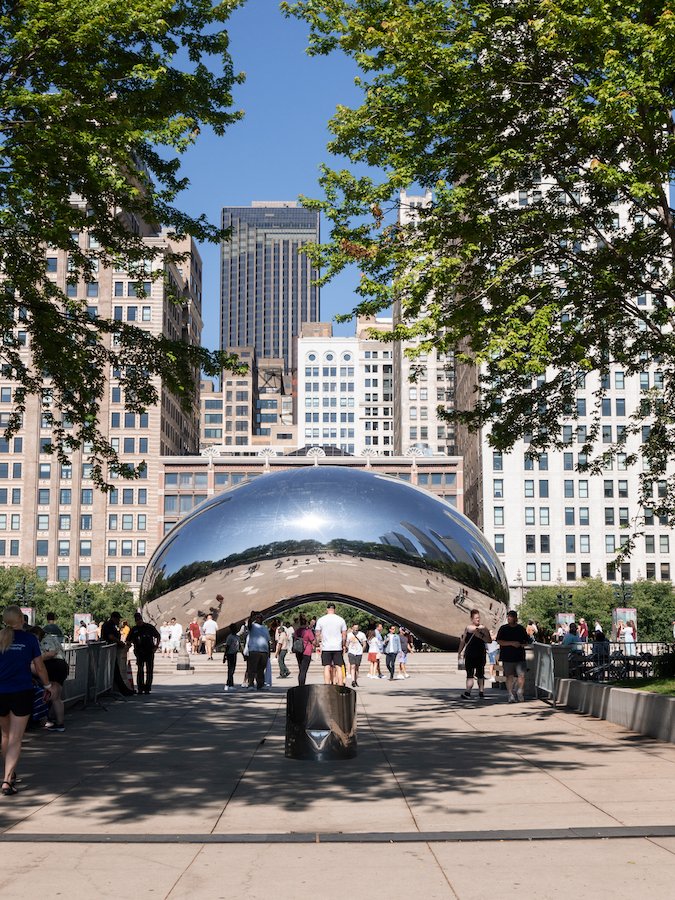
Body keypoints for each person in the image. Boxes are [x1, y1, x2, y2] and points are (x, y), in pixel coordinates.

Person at [0, 605, 52, 795]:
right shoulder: (29, 639)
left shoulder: (0, 637)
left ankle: (9, 774)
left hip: (1, 691)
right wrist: (47, 686)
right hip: (21, 690)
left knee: (5, 736)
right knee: (16, 737)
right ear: (21, 619)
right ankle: (7, 780)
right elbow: (39, 667)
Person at [33, 625, 69, 732]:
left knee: (52, 694)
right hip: (61, 665)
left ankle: (49, 720)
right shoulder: (52, 638)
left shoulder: (45, 640)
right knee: (56, 697)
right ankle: (59, 722)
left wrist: (37, 659)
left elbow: (51, 653)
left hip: (53, 666)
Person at [458, 609, 492, 700]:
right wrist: (459, 652)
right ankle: (468, 692)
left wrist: (480, 635)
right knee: (469, 674)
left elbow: (489, 640)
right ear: (471, 618)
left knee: (480, 673)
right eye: (476, 618)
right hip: (469, 654)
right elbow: (463, 641)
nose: (478, 619)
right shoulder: (468, 628)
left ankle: (481, 692)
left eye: (478, 618)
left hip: (480, 654)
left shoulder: (483, 628)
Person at [496, 610, 530, 703]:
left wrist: (521, 645)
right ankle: (510, 694)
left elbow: (526, 641)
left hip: (519, 656)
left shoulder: (521, 629)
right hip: (507, 656)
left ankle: (519, 691)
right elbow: (499, 641)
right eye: (508, 617)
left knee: (521, 675)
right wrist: (511, 643)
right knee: (509, 676)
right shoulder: (503, 628)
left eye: (511, 617)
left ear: (515, 618)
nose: (509, 618)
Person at [100, 612, 134, 696]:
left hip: (112, 650)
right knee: (115, 671)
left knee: (116, 671)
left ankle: (121, 689)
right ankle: (123, 690)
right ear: (114, 618)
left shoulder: (112, 625)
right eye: (118, 619)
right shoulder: (108, 625)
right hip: (109, 651)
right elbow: (111, 637)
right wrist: (120, 643)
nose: (118, 621)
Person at [126, 613, 160, 694]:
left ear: (141, 619)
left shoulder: (149, 627)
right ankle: (140, 688)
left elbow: (157, 636)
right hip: (139, 652)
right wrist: (128, 644)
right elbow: (128, 639)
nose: (138, 622)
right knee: (140, 670)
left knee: (149, 670)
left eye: (139, 620)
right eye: (137, 621)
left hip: (149, 651)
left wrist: (156, 646)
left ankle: (147, 688)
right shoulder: (134, 629)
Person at [314, 602, 347, 685]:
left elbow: (317, 634)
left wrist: (317, 643)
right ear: (334, 609)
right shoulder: (341, 619)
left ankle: (327, 684)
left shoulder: (321, 620)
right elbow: (344, 635)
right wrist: (343, 645)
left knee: (326, 666)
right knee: (338, 666)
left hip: (326, 647)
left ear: (327, 609)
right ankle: (340, 684)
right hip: (337, 646)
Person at [246, 612, 270, 690]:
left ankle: (260, 685)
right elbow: (249, 624)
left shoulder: (265, 628)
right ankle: (251, 684)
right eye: (257, 617)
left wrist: (268, 652)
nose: (259, 619)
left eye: (260, 617)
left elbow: (267, 640)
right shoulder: (252, 626)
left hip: (264, 651)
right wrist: (251, 617)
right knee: (252, 668)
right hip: (254, 650)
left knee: (261, 669)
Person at [293, 615, 314, 686]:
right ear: (306, 623)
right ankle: (302, 685)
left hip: (298, 651)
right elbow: (313, 641)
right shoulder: (308, 631)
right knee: (304, 670)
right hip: (306, 652)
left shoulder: (297, 631)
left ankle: (300, 684)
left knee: (301, 669)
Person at [223, 625, 240, 691]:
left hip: (235, 654)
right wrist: (225, 656)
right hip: (230, 654)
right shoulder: (230, 637)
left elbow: (239, 646)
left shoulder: (237, 637)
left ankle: (229, 683)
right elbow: (227, 647)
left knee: (232, 669)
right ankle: (229, 684)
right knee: (231, 669)